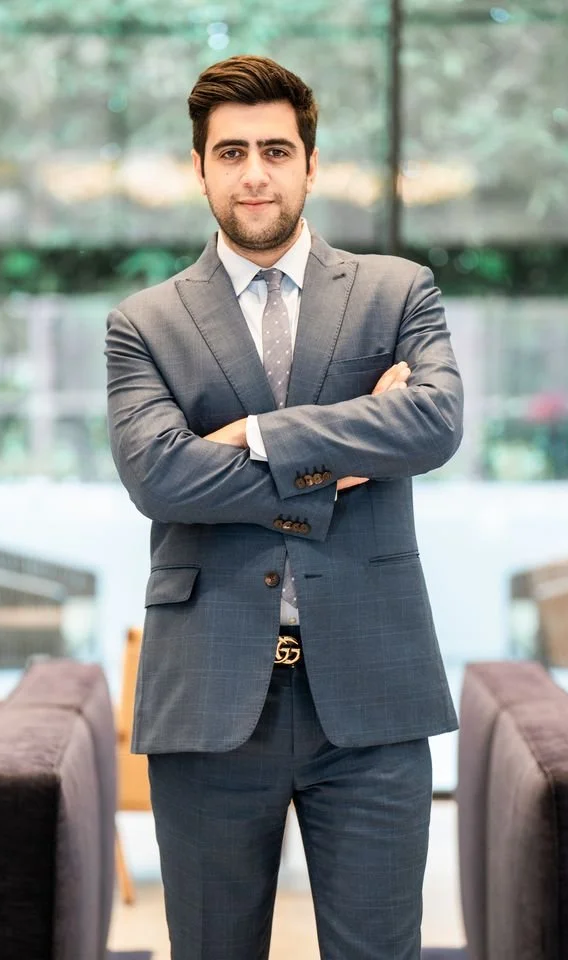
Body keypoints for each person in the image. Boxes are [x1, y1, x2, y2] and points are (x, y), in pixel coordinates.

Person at [105, 54, 463, 960]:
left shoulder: (397, 290)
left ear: (311, 161)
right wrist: (346, 449)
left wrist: (254, 436)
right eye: (231, 153)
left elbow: (432, 423)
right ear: (199, 167)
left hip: (374, 696)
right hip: (211, 699)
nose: (254, 173)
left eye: (274, 149)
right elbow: (160, 478)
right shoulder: (142, 322)